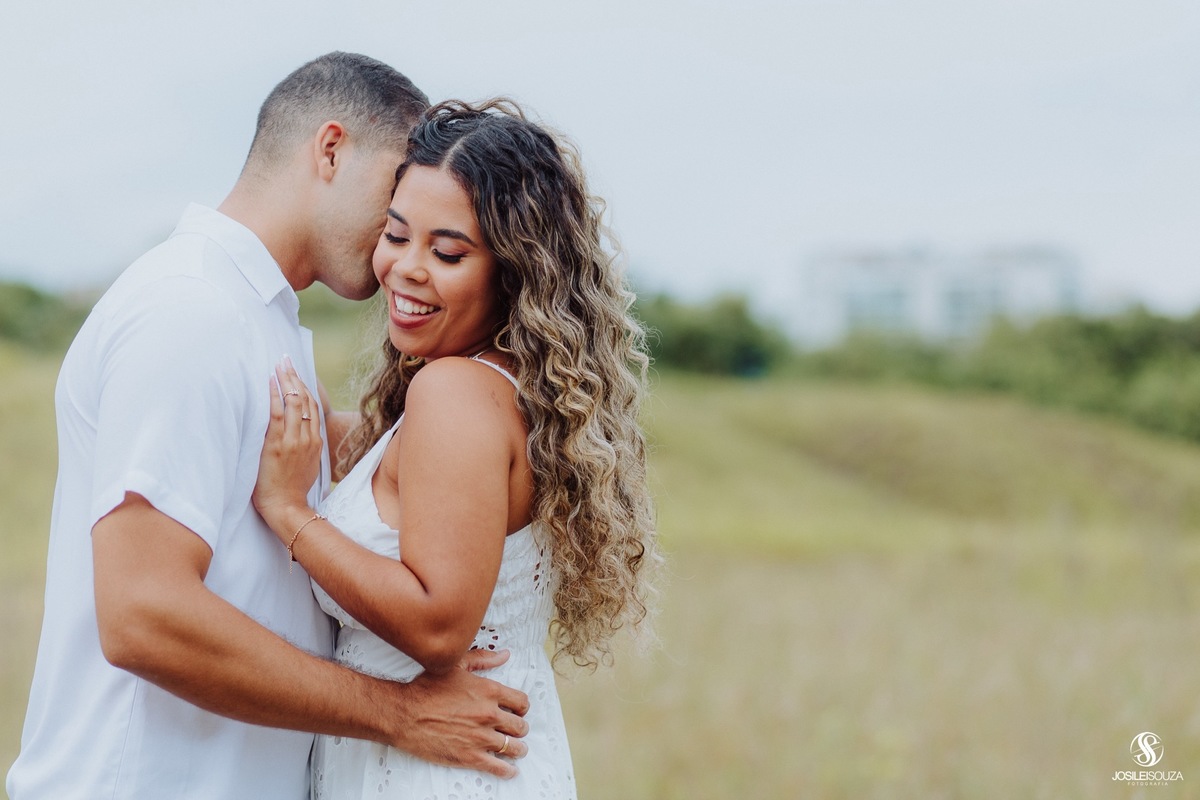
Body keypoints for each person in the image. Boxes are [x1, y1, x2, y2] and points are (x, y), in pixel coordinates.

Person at [6, 54, 530, 800]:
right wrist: (398, 714)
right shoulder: (190, 311)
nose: (396, 238)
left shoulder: (257, 317)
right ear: (331, 150)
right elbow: (144, 614)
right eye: (393, 199)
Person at [251, 98, 659, 798]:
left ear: (513, 271)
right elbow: (398, 480)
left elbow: (437, 626)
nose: (405, 269)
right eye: (396, 235)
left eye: (447, 253)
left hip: (436, 771)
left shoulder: (454, 393)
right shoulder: (502, 389)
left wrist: (292, 516)